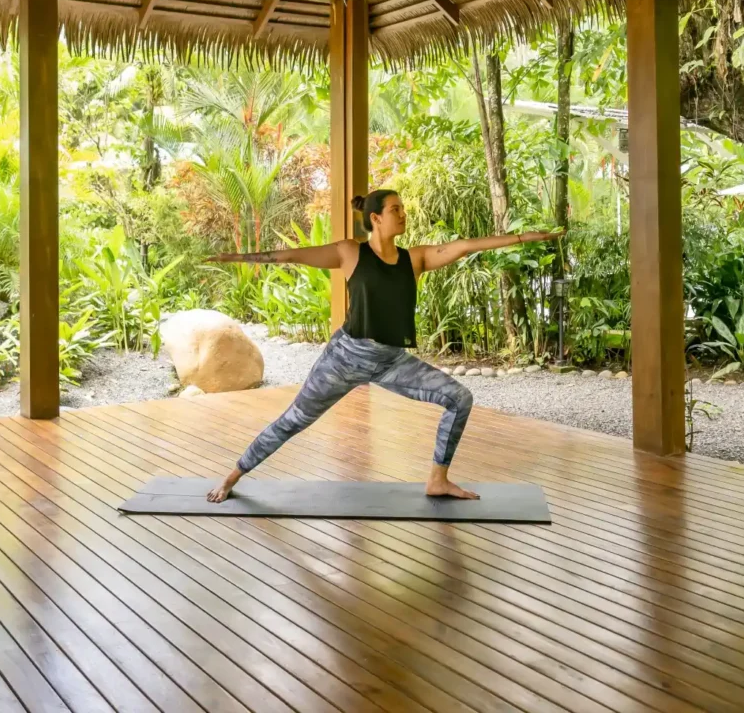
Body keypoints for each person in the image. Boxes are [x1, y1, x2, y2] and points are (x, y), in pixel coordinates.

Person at [205, 189, 563, 503]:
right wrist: (235, 258)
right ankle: (233, 476)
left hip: (392, 362)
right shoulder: (350, 253)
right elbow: (290, 256)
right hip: (344, 359)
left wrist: (527, 238)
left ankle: (437, 480)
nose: (404, 214)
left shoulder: (416, 258)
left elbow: (466, 246)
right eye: (396, 209)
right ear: (375, 218)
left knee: (459, 399)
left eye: (403, 209)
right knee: (293, 421)